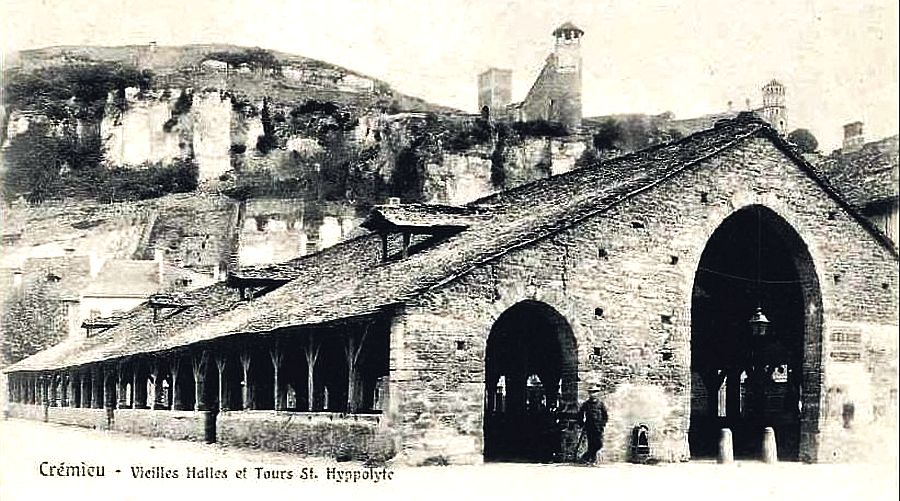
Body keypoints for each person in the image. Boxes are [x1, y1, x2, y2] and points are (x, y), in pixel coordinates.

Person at [578, 385, 608, 464]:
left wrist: (603, 424)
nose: (593, 394)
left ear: (597, 393)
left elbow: (605, 415)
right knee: (591, 444)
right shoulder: (586, 404)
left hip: (598, 427)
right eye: (591, 392)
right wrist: (582, 424)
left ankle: (585, 457)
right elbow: (580, 414)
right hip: (589, 427)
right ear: (589, 394)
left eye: (595, 392)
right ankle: (592, 460)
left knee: (599, 444)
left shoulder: (600, 404)